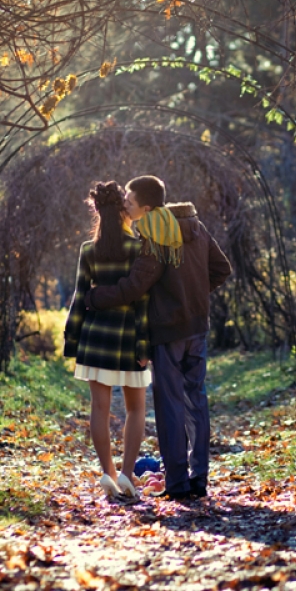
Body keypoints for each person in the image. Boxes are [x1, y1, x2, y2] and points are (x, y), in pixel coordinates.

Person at [85, 175, 232, 500]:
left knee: (170, 405)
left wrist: (95, 298)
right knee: (197, 401)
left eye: (130, 201)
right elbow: (222, 269)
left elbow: (135, 286)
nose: (125, 204)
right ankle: (200, 478)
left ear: (146, 207)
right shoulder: (195, 225)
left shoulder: (155, 235)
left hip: (168, 332)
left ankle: (178, 483)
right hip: (197, 327)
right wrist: (194, 296)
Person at [64, 181, 150, 499]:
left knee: (99, 408)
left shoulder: (89, 250)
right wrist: (145, 345)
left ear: (98, 212)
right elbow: (142, 302)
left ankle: (108, 474)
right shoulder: (139, 247)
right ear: (123, 212)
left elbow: (79, 297)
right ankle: (127, 475)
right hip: (128, 337)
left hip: (95, 338)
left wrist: (72, 340)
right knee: (136, 409)